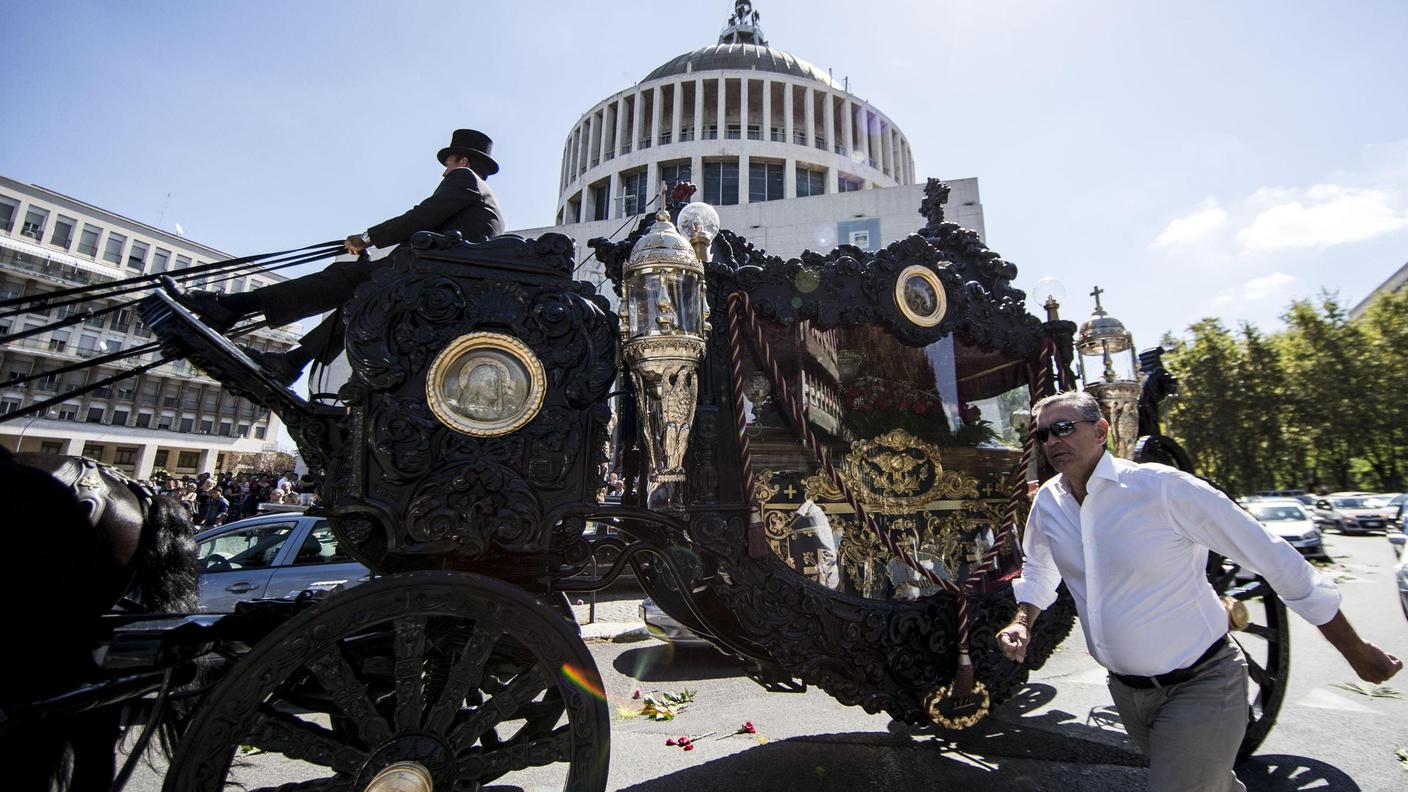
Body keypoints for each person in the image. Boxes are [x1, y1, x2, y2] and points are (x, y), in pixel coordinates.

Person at [997, 391, 1399, 792]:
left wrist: (1355, 651)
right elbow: (1039, 569)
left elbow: (1278, 561)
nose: (1052, 442)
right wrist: (1022, 622)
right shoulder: (1049, 503)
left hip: (1202, 684)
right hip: (1127, 694)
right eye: (1043, 434)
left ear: (1102, 430)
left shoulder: (1163, 489)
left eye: (1064, 428)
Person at [165, 128, 505, 385]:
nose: (444, 170)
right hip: (437, 277)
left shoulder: (465, 179)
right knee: (359, 303)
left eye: (447, 163)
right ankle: (292, 360)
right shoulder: (485, 199)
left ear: (461, 160)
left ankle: (231, 307)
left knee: (341, 279)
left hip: (429, 274)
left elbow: (422, 215)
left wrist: (368, 238)